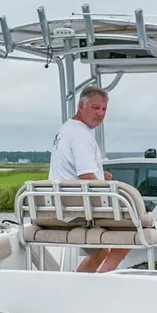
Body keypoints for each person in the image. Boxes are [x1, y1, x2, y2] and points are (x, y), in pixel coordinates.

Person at [48, 85, 129, 273]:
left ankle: (81, 282)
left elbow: (73, 169)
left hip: (60, 207)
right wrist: (108, 190)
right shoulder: (81, 135)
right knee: (133, 229)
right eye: (95, 108)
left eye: (104, 109)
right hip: (77, 211)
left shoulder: (67, 129)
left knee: (100, 252)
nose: (100, 113)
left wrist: (101, 175)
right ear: (81, 106)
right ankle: (103, 278)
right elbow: (86, 178)